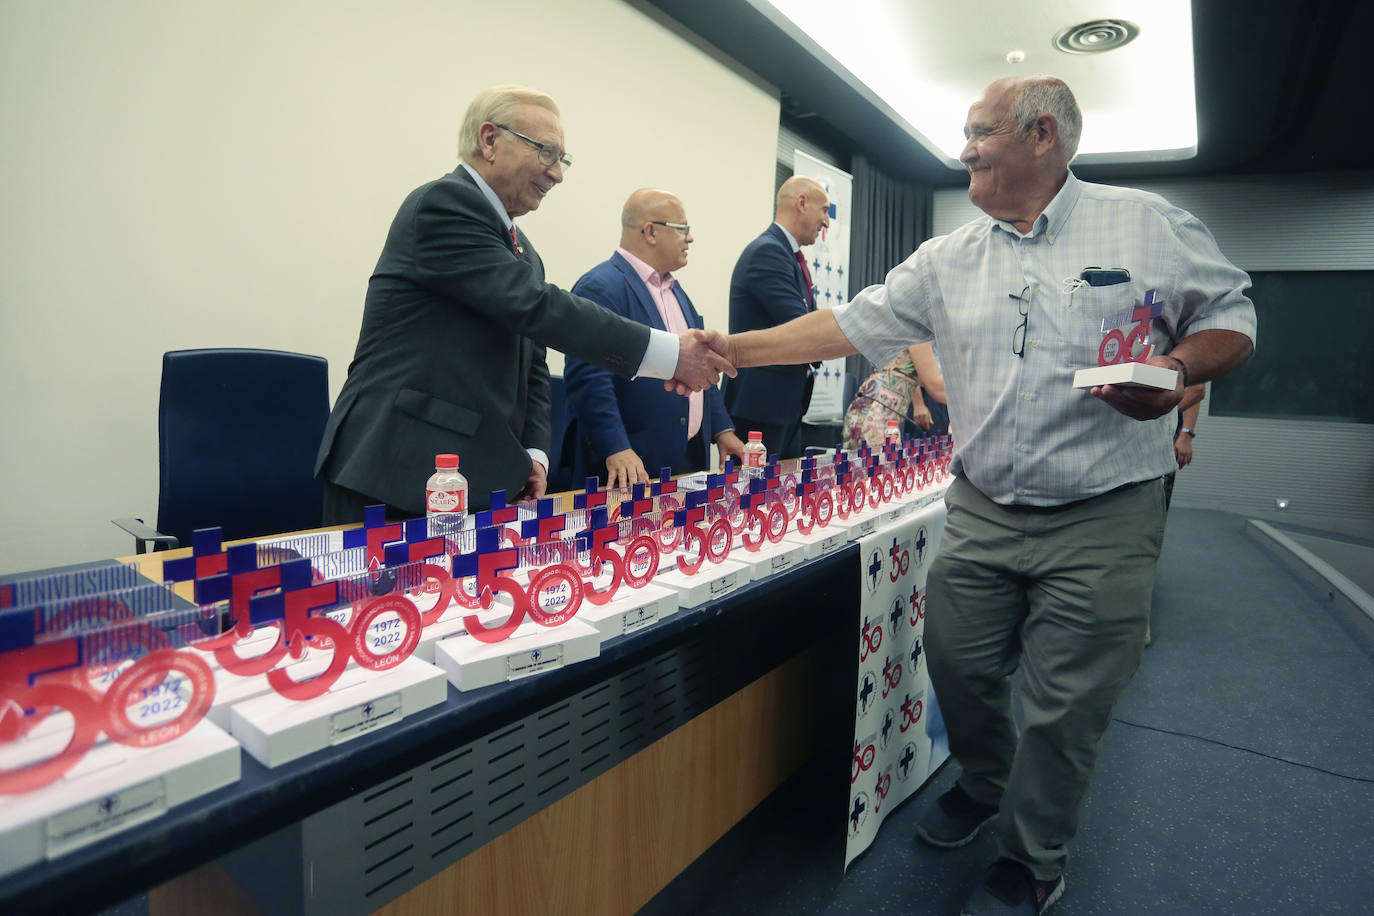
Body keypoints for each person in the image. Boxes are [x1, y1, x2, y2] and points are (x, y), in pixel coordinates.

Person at [717, 75, 1256, 915]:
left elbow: (1233, 316)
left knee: (1064, 703)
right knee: (960, 666)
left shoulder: (1146, 224)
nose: (963, 149)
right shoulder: (947, 258)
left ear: (1041, 135)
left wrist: (1179, 371)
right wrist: (728, 351)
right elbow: (848, 325)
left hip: (1105, 509)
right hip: (982, 507)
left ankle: (1033, 855)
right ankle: (985, 779)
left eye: (978, 132)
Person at [314, 86, 733, 521]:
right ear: (490, 140)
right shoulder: (443, 206)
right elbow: (538, 307)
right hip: (396, 473)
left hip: (477, 481)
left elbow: (534, 363)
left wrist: (534, 452)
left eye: (562, 159)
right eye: (546, 153)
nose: (557, 174)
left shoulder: (523, 250)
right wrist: (670, 354)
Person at [565, 189, 746, 488]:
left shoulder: (675, 291)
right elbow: (588, 377)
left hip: (686, 458)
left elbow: (702, 363)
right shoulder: (600, 288)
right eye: (683, 229)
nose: (690, 238)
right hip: (629, 466)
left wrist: (722, 430)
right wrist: (616, 447)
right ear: (650, 232)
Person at [722, 176, 831, 460]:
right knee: (754, 499)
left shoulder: (787, 255)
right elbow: (801, 325)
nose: (827, 222)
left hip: (783, 403)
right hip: (761, 406)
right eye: (825, 210)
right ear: (802, 203)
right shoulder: (768, 251)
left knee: (781, 497)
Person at [842, 342, 946, 450]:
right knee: (875, 463)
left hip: (876, 410)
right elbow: (935, 385)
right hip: (873, 414)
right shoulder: (918, 335)